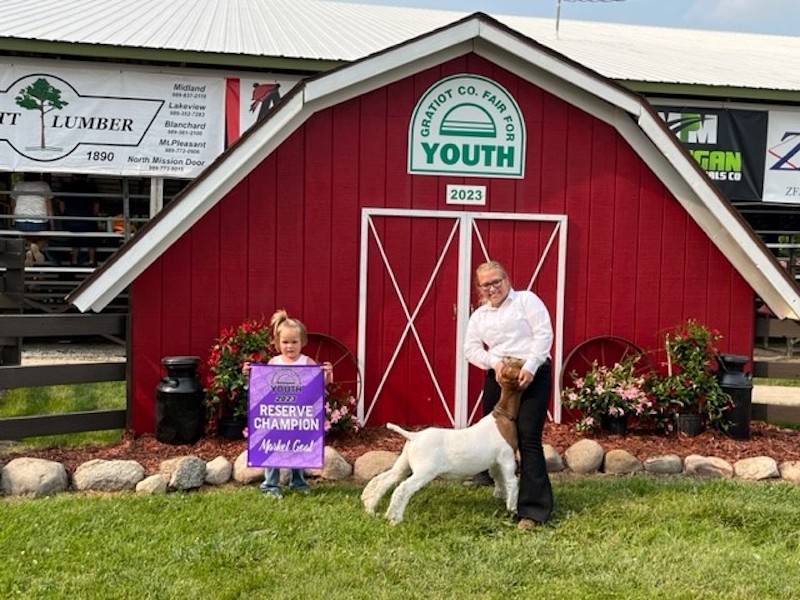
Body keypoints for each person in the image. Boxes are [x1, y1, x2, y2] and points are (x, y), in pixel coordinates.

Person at [463, 260, 554, 530]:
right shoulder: (479, 315)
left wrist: (530, 366)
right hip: (500, 375)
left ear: (507, 280)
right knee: (491, 434)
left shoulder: (526, 300)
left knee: (528, 436)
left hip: (532, 371)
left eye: (496, 281)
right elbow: (470, 348)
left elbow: (543, 334)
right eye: (486, 285)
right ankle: (498, 487)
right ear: (479, 289)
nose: (493, 288)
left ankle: (533, 510)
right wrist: (495, 363)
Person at [260, 309, 333, 499]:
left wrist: (327, 374)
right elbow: (262, 386)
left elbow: (319, 385)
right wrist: (249, 375)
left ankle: (298, 482)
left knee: (298, 448)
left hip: (299, 416)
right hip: (277, 417)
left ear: (302, 343)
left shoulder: (307, 362)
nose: (290, 346)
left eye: (294, 342)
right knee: (273, 449)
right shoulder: (273, 363)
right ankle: (270, 485)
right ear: (277, 343)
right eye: (285, 342)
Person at [10, 173, 54, 266]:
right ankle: (35, 247)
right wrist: (52, 224)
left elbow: (13, 205)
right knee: (47, 235)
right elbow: (49, 207)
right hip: (39, 223)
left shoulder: (18, 185)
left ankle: (30, 247)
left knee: (24, 235)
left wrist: (13, 221)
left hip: (21, 221)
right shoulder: (44, 185)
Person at [58, 174, 100, 266]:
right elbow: (96, 208)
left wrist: (65, 215)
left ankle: (74, 260)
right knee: (92, 234)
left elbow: (61, 205)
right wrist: (94, 217)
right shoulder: (91, 187)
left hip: (70, 222)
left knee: (75, 235)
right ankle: (92, 260)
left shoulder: (66, 186)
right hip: (88, 222)